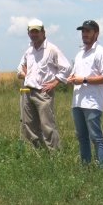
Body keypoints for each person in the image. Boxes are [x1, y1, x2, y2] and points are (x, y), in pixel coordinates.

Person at [16, 19, 71, 150]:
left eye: (37, 31)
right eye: (31, 32)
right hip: (28, 91)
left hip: (43, 92)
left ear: (43, 32)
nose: (34, 34)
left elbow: (67, 67)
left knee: (47, 124)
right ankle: (38, 151)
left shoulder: (51, 49)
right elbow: (20, 68)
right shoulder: (29, 50)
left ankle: (54, 153)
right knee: (28, 124)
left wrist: (55, 82)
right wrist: (27, 75)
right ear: (28, 33)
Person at [67, 20, 103, 166]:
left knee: (96, 137)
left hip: (93, 102)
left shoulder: (101, 53)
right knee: (81, 136)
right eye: (83, 31)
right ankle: (86, 167)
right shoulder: (80, 53)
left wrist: (84, 80)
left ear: (96, 33)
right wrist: (72, 78)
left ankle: (102, 168)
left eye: (88, 31)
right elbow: (76, 74)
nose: (85, 34)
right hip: (78, 100)